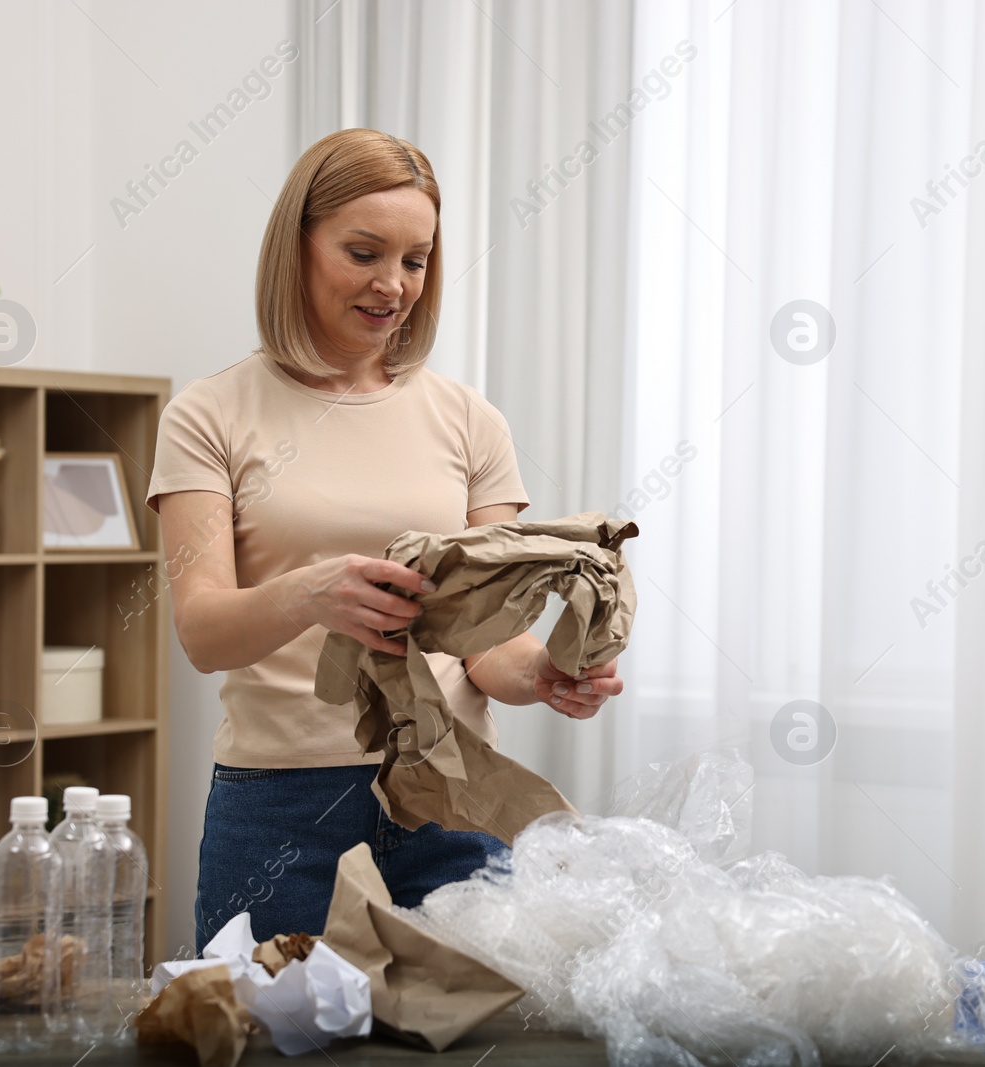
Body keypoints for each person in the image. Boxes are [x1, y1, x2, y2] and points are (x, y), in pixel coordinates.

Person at [144, 128, 625, 951]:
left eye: (415, 259)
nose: (392, 285)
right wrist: (309, 592)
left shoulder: (469, 420)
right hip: (280, 809)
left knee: (469, 1038)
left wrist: (544, 674)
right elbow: (202, 631)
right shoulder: (209, 415)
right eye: (363, 252)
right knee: (263, 1036)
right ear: (296, 245)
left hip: (454, 796)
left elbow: (487, 647)